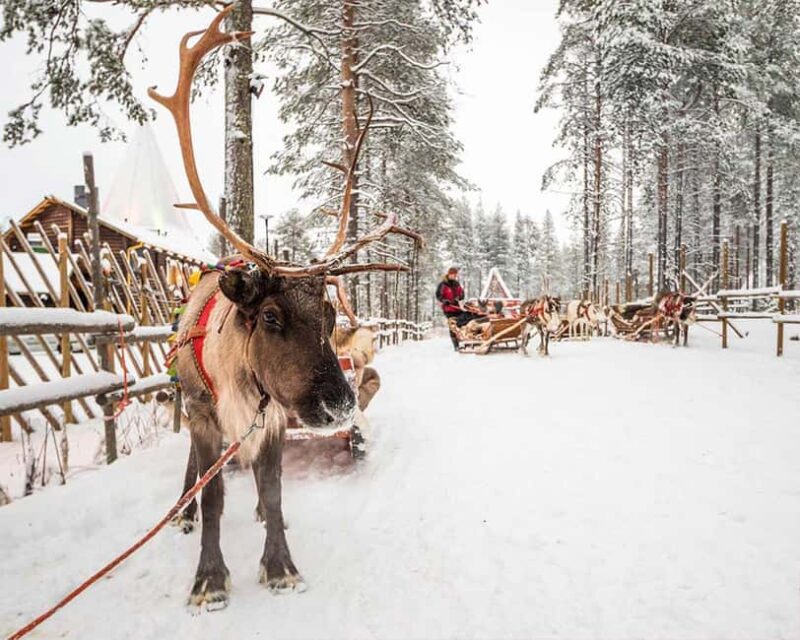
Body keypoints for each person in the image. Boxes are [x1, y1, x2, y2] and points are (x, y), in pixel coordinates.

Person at [436, 267, 486, 350]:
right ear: (449, 274)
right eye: (453, 275)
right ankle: (456, 345)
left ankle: (466, 338)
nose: (454, 276)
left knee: (465, 321)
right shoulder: (443, 285)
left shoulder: (456, 284)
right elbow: (439, 296)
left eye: (455, 275)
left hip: (457, 307)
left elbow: (461, 292)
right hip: (448, 308)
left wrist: (460, 297)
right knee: (453, 324)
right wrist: (445, 301)